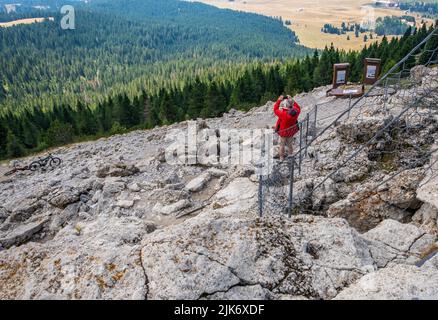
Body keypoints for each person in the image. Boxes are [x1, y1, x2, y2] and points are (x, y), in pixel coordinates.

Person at [273, 95, 301, 161]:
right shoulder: (296, 112)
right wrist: (292, 100)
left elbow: (275, 109)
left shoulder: (283, 114)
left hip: (283, 132)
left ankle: (281, 158)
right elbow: (298, 108)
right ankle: (290, 155)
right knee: (289, 144)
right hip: (291, 131)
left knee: (282, 145)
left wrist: (279, 100)